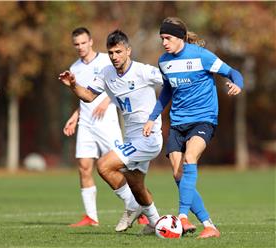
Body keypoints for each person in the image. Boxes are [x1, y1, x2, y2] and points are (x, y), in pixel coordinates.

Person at [143, 17, 244, 238]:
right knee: (179, 175)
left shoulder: (202, 56)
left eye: (168, 38)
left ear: (179, 37)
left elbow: (233, 72)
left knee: (190, 159)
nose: (164, 42)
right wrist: (152, 117)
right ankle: (209, 226)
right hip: (178, 122)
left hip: (203, 119)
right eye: (162, 38)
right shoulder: (164, 61)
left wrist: (238, 84)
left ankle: (181, 217)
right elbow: (167, 91)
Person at [60, 29, 164, 234]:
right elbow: (89, 96)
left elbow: (170, 84)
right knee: (136, 184)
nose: (115, 57)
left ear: (128, 51)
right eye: (111, 53)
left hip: (149, 137)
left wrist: (155, 116)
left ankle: (132, 206)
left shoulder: (143, 71)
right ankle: (154, 222)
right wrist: (73, 85)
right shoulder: (107, 73)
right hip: (132, 137)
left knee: (104, 165)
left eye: (118, 52)